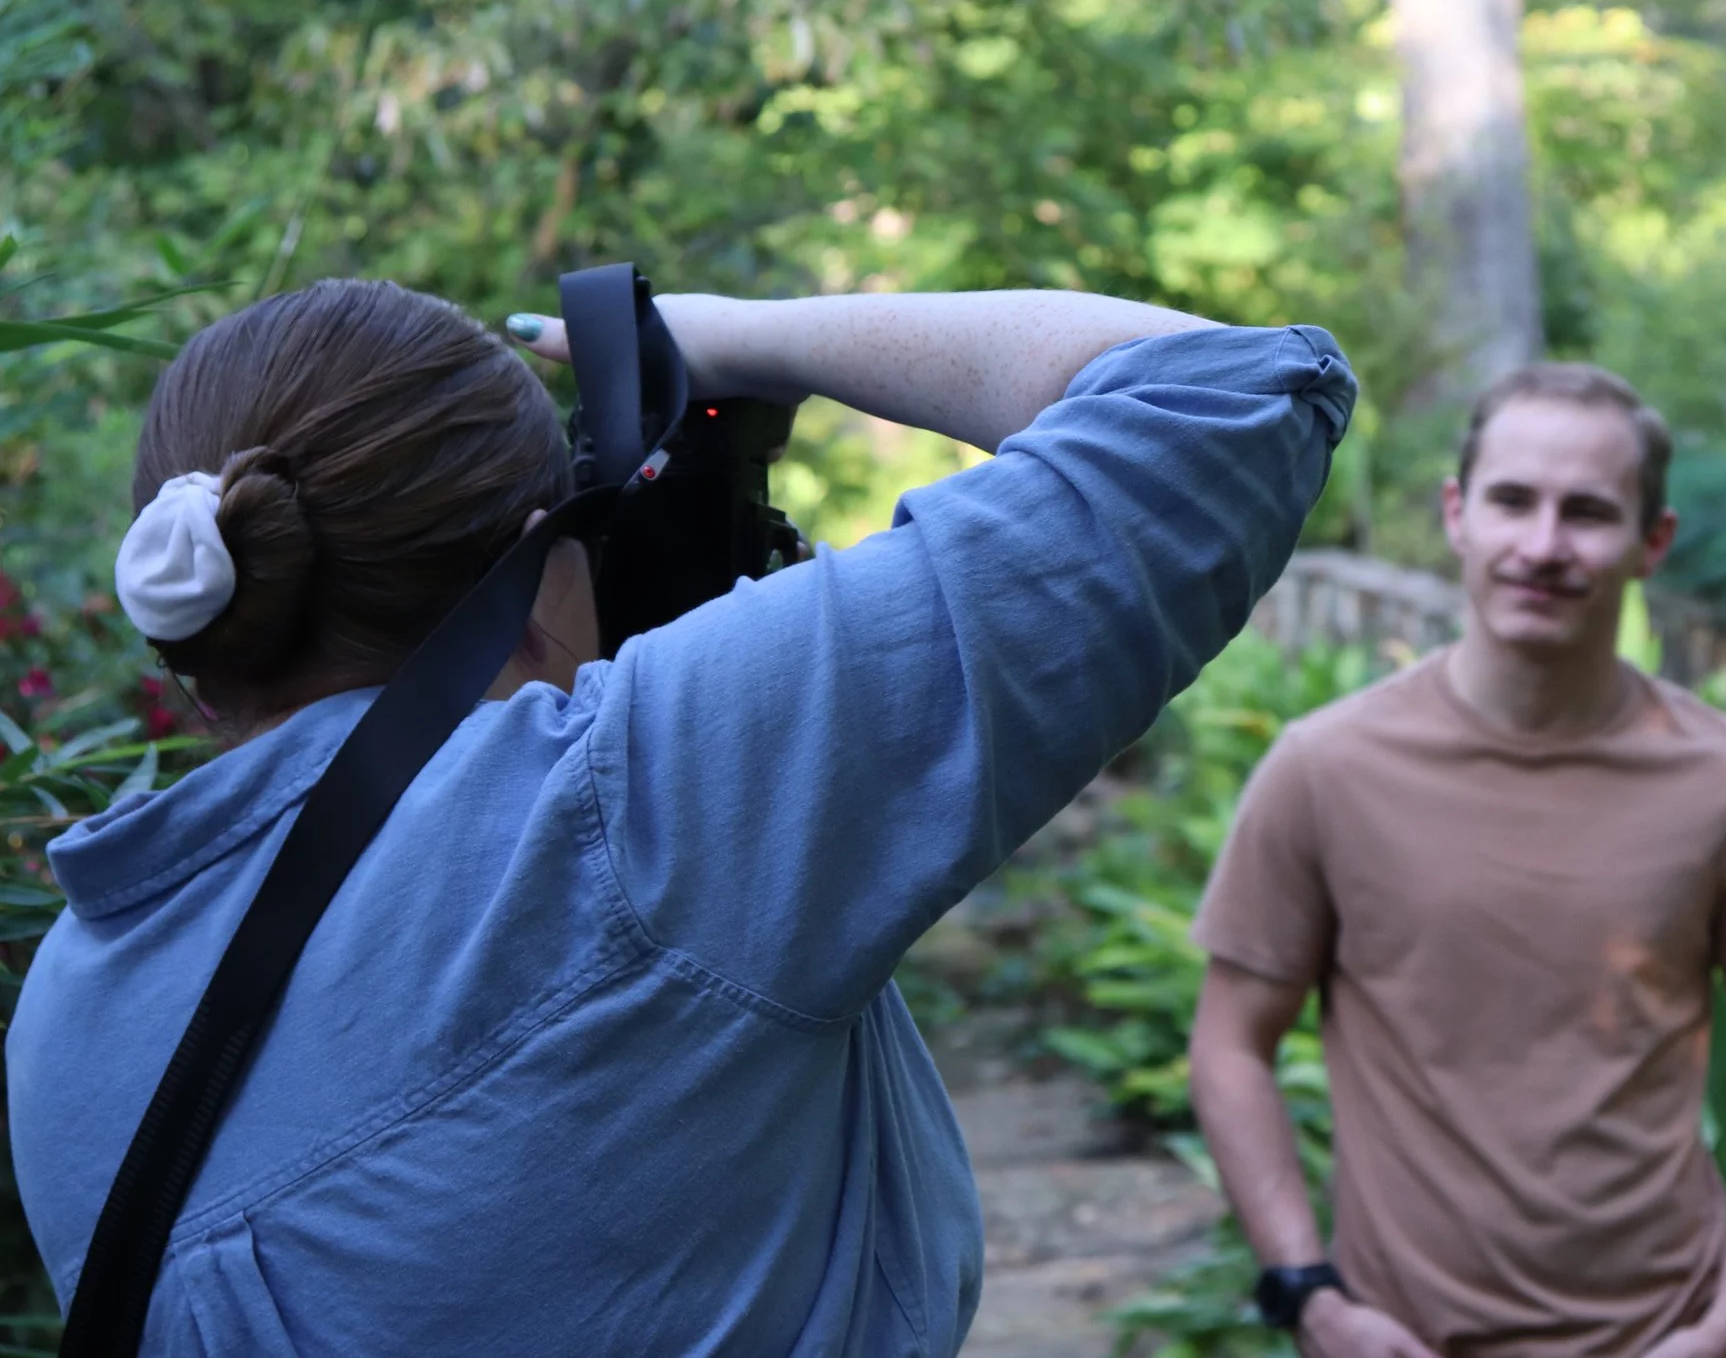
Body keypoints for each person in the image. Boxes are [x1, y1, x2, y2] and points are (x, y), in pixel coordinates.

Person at [8, 278, 1354, 1356]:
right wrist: (743, 334)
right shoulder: (619, 806)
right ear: (539, 564)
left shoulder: (66, 1000)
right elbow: (1232, 394)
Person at [1187, 362, 1726, 1358]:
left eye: (1587, 512)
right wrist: (1309, 1292)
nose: (1542, 546)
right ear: (1457, 514)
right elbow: (1229, 1042)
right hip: (1400, 1339)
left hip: (1660, 1338)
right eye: (1512, 500)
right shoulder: (1326, 768)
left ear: (1651, 542)